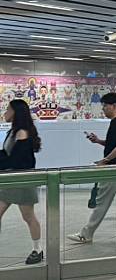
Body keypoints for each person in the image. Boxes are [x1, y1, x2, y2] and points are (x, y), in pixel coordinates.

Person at [68, 93, 116, 244]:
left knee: (101, 203)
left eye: (105, 106)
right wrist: (98, 141)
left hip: (113, 169)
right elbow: (114, 144)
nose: (103, 109)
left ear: (114, 106)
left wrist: (104, 160)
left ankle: (86, 233)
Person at [0, 100, 44, 264]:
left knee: (28, 216)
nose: (5, 112)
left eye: (7, 109)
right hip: (11, 180)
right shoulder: (14, 132)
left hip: (22, 181)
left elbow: (16, 161)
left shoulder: (22, 133)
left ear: (15, 112)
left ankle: (37, 249)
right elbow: (6, 154)